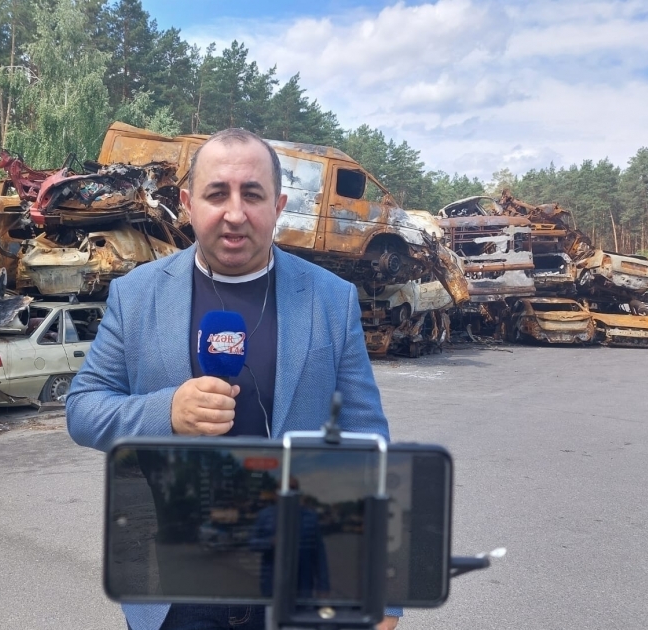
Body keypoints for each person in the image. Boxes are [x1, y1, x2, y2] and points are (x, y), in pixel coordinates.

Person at [66, 128, 400, 630]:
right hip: (175, 589)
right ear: (187, 203)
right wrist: (168, 412)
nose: (236, 213)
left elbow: (368, 441)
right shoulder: (135, 297)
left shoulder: (331, 300)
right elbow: (83, 409)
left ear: (279, 204)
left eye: (253, 194)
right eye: (217, 193)